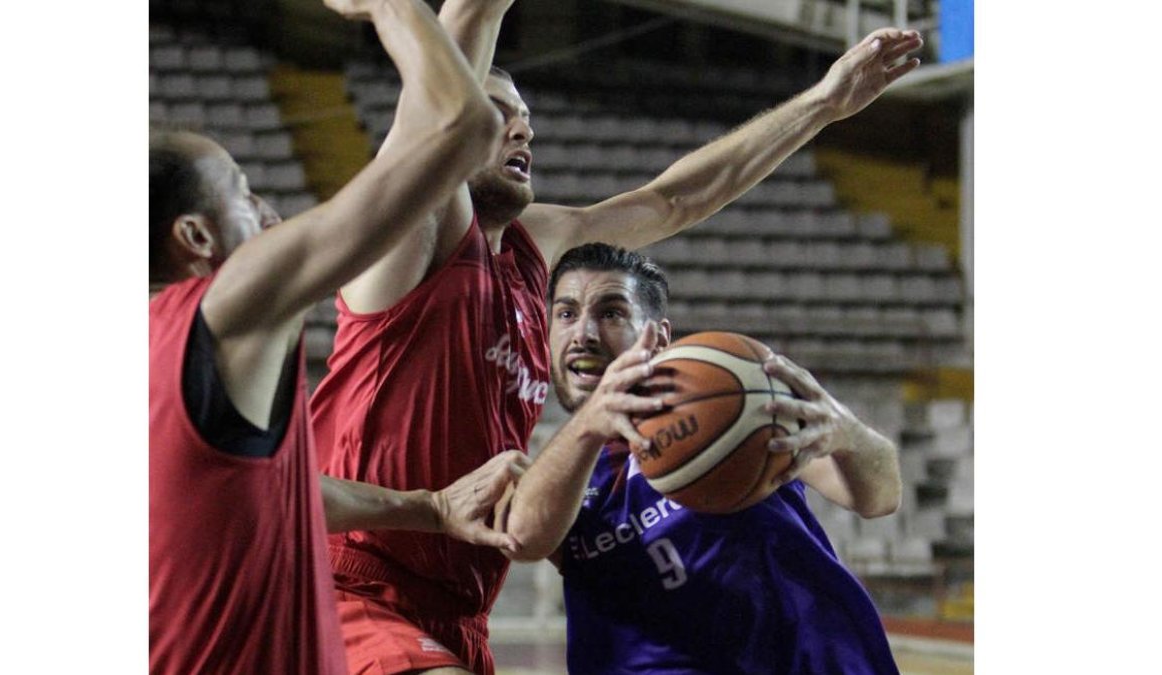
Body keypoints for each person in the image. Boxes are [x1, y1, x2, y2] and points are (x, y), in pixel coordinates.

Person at [309, 0, 922, 670]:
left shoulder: (530, 251)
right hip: (357, 578)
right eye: (496, 110)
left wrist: (823, 104)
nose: (519, 128)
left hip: (458, 605)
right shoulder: (410, 238)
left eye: (526, 120)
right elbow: (440, 112)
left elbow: (675, 201)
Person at [147, 1, 526, 673]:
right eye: (240, 191)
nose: (268, 208)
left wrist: (430, 507)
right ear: (196, 237)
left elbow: (284, 492)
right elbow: (462, 127)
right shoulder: (229, 306)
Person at [498, 242, 903, 674]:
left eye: (611, 312)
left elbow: (878, 498)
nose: (583, 333)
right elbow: (525, 539)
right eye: (566, 314)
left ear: (659, 338)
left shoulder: (733, 410)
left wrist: (848, 434)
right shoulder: (561, 472)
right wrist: (591, 424)